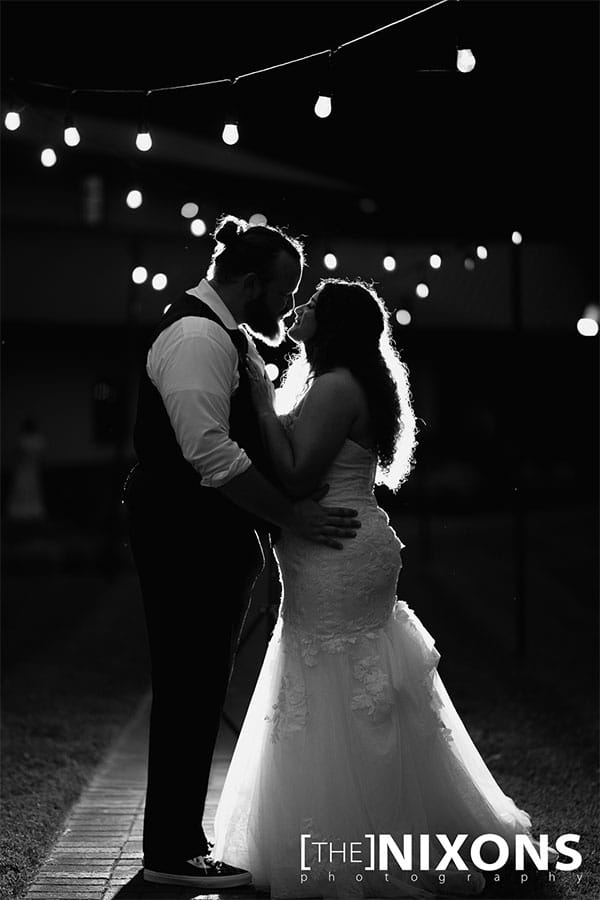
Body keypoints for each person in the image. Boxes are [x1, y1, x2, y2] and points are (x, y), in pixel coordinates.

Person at [213, 278, 556, 898]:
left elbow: (294, 474)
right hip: (337, 546)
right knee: (345, 681)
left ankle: (355, 837)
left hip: (335, 550)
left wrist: (262, 404)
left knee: (335, 680)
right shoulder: (339, 381)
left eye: (313, 304)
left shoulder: (339, 386)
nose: (300, 309)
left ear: (336, 323)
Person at [122, 216, 361, 890]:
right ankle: (171, 853)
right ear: (250, 283)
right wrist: (292, 518)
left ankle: (181, 840)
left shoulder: (228, 335)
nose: (289, 306)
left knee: (197, 687)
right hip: (182, 539)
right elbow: (211, 456)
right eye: (285, 292)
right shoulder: (198, 336)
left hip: (204, 541)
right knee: (187, 686)